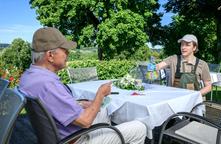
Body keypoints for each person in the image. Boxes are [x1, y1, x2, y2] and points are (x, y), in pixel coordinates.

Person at [18, 27, 146, 144]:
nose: (68, 53)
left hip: (61, 134)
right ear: (50, 55)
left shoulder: (29, 76)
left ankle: (108, 137)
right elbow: (85, 121)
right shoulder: (47, 83)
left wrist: (79, 104)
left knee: (103, 110)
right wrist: (100, 94)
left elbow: (52, 104)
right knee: (139, 127)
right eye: (64, 50)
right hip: (76, 139)